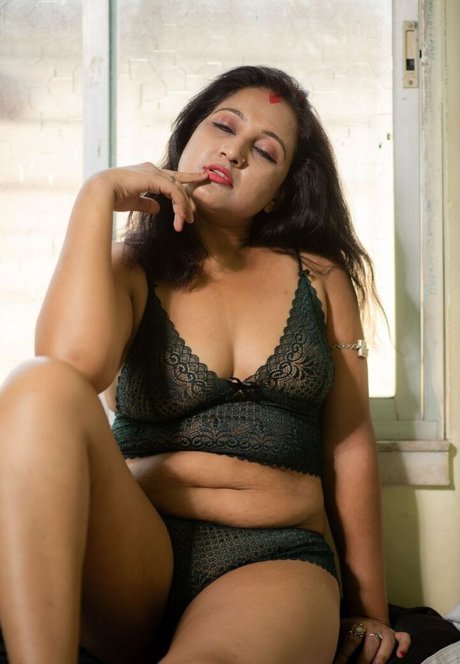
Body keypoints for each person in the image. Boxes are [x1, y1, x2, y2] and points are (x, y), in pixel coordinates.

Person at [0, 65, 411, 664]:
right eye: (223, 126)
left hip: (271, 556)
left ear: (281, 190)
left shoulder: (321, 279)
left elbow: (349, 444)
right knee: (35, 384)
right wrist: (96, 197)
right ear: (189, 134)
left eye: (265, 151)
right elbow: (70, 371)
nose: (235, 152)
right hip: (133, 551)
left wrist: (370, 609)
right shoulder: (130, 267)